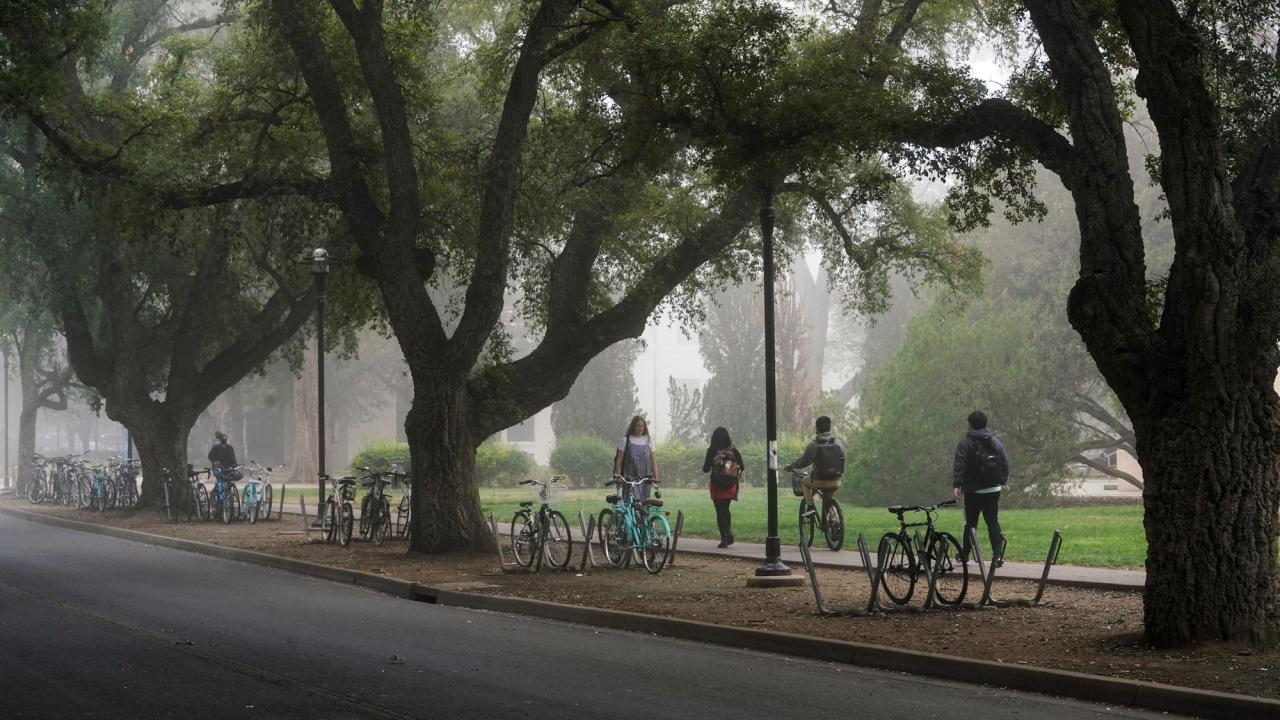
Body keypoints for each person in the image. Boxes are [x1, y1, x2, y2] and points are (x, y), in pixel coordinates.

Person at [952, 410, 1010, 565]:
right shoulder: (994, 441)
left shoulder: (965, 443)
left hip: (973, 490)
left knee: (970, 524)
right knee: (993, 522)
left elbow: (960, 464)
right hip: (993, 489)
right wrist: (1001, 480)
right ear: (985, 423)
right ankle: (997, 557)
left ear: (970, 424)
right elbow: (1004, 462)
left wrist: (957, 484)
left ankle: (964, 556)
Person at [785, 416, 845, 510]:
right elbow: (842, 459)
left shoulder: (814, 444)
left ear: (817, 429)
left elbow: (803, 462)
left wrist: (791, 466)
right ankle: (833, 521)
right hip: (836, 481)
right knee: (827, 500)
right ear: (829, 427)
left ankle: (810, 506)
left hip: (819, 480)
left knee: (805, 482)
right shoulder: (838, 443)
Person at [702, 427, 744, 548]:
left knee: (720, 511)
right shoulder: (733, 450)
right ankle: (728, 531)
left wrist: (714, 463)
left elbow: (705, 469)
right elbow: (742, 466)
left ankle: (724, 538)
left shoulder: (712, 450)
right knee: (726, 509)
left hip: (717, 485)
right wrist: (731, 467)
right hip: (731, 484)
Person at [613, 415, 659, 503]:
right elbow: (619, 462)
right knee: (632, 503)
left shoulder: (649, 441)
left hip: (645, 479)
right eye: (638, 425)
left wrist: (656, 478)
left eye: (642, 426)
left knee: (644, 503)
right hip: (629, 479)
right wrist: (618, 477)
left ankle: (643, 517)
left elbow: (653, 462)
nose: (640, 428)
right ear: (633, 426)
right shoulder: (625, 440)